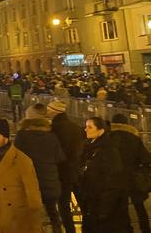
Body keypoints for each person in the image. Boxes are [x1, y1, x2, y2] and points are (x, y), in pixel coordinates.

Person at [13, 104, 66, 233]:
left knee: (31, 217)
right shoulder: (51, 136)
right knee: (53, 213)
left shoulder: (22, 136)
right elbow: (60, 157)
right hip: (49, 182)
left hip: (29, 183)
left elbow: (15, 158)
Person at [0, 119, 43, 233]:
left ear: (5, 137)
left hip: (17, 219)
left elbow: (33, 196)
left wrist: (35, 226)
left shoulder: (22, 160)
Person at [78, 116, 127, 233]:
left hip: (101, 203)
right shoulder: (87, 147)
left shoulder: (109, 151)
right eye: (85, 126)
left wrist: (104, 209)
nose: (85, 129)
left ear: (101, 131)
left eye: (90, 127)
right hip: (89, 200)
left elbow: (113, 180)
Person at [109, 113, 151, 233]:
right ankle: (145, 229)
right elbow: (146, 159)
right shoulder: (134, 139)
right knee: (139, 207)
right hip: (133, 178)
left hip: (114, 179)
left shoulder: (108, 138)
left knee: (120, 208)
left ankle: (126, 229)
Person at [46, 99, 83, 233]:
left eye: (49, 109)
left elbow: (55, 152)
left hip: (61, 172)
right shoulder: (75, 127)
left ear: (54, 111)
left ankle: (69, 230)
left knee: (64, 206)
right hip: (76, 170)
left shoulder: (54, 129)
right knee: (83, 204)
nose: (47, 111)